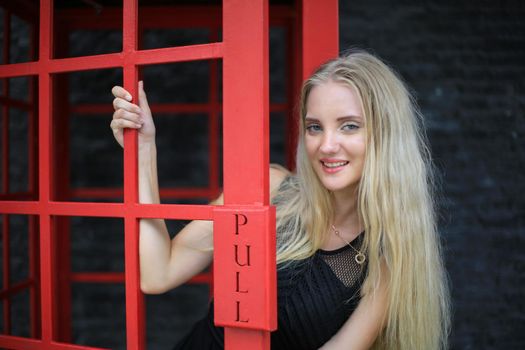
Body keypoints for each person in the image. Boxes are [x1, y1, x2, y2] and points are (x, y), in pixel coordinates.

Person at [110, 49, 451, 349]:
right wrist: (143, 151)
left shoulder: (386, 257)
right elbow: (158, 274)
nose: (327, 145)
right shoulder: (271, 190)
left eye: (349, 126)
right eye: (315, 127)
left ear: (385, 135)